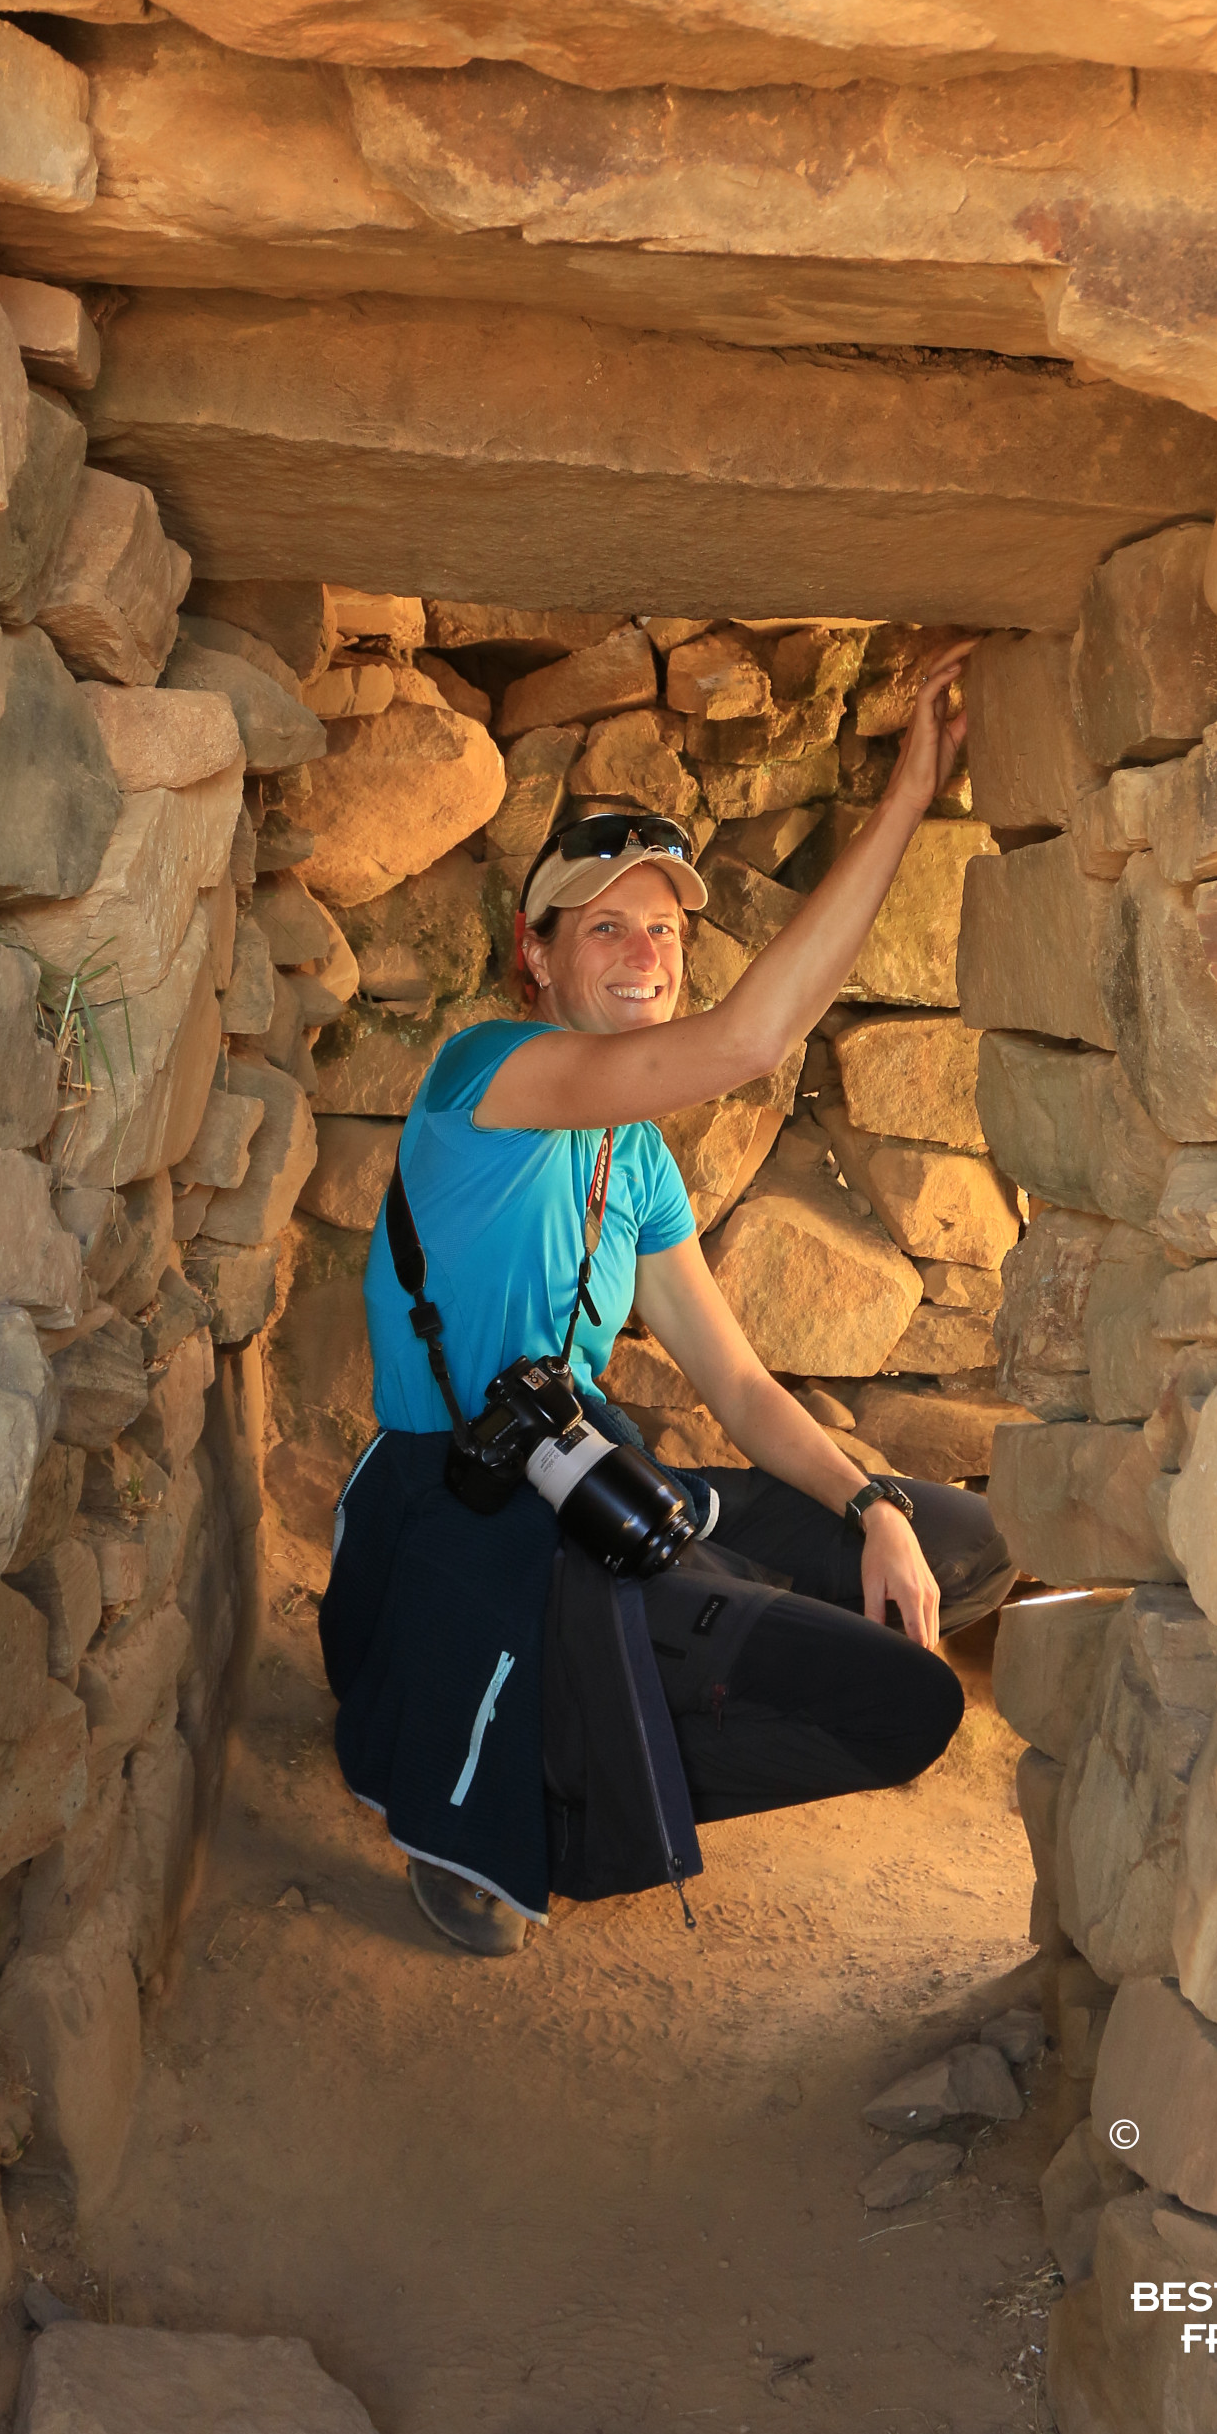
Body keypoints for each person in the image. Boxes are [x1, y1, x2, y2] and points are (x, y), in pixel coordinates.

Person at [319, 638, 1014, 1956]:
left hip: (584, 1474)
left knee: (960, 1541)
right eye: (604, 930)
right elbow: (752, 1041)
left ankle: (631, 1683)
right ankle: (548, 1773)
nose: (644, 954)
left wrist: (871, 1508)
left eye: (665, 930)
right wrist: (910, 791)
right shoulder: (493, 1071)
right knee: (890, 1701)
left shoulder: (629, 1153)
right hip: (459, 1504)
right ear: (536, 957)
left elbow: (741, 1383)